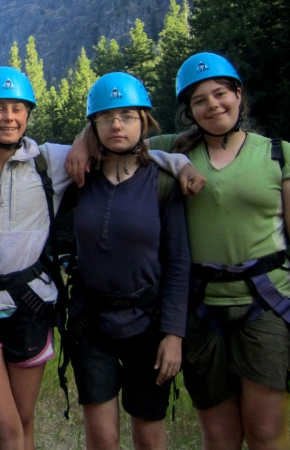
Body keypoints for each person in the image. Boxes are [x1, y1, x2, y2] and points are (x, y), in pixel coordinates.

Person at [0, 67, 192, 450]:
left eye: (17, 108)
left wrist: (180, 163)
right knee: (5, 430)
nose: (9, 117)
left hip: (29, 308)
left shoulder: (48, 161)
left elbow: (126, 148)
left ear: (28, 115)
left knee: (24, 422)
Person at [154, 53, 290, 450]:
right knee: (220, 437)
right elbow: (113, 138)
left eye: (220, 94)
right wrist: (177, 164)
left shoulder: (278, 153)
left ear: (238, 95)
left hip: (266, 303)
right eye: (200, 100)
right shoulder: (173, 149)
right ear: (189, 111)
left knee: (267, 434)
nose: (213, 105)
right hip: (201, 308)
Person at [68, 72, 190, 450]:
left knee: (150, 436)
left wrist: (174, 334)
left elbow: (178, 262)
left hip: (149, 326)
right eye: (106, 117)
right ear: (93, 126)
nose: (116, 124)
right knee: (102, 440)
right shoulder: (77, 177)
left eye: (127, 116)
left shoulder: (163, 180)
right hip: (92, 324)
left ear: (144, 122)